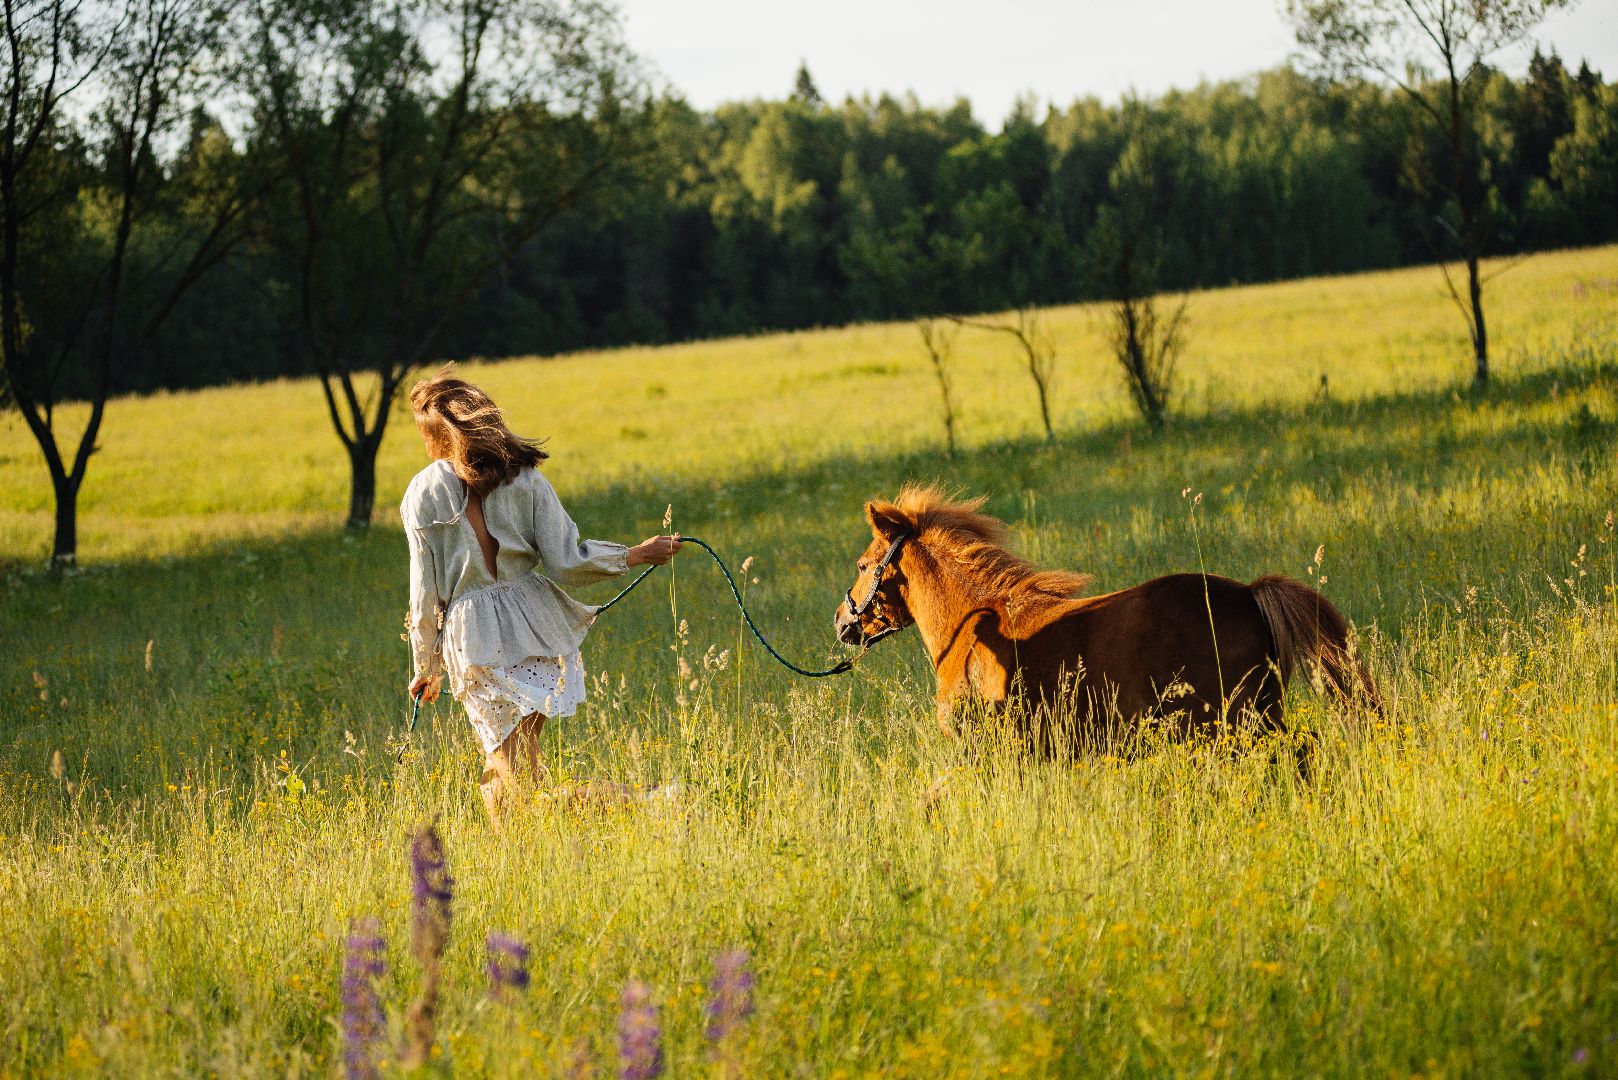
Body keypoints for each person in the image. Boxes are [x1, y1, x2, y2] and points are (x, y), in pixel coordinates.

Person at [402, 365, 681, 830]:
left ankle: (652, 803)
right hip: (536, 624)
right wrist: (634, 554)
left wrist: (425, 667)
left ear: (435, 437)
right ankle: (516, 864)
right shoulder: (523, 477)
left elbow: (424, 593)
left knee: (519, 783)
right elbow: (567, 561)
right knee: (505, 776)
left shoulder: (422, 492)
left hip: (477, 640)